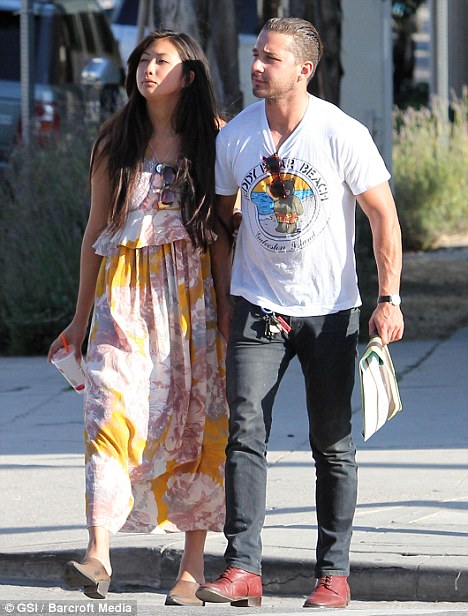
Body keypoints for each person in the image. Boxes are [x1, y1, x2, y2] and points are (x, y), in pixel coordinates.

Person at [196, 17, 404, 609]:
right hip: (259, 306)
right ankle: (242, 570)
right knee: (244, 435)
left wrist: (388, 299)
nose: (257, 66)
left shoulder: (341, 133)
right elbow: (223, 216)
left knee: (332, 444)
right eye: (256, 55)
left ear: (304, 68)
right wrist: (227, 293)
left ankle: (333, 575)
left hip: (332, 311)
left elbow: (383, 218)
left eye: (271, 58)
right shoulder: (235, 136)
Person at [48, 30, 228, 606]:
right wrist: (79, 320)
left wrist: (227, 319)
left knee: (196, 426)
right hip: (122, 300)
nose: (148, 69)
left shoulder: (216, 141)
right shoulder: (115, 140)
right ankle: (98, 555)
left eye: (161, 60)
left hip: (191, 308)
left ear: (190, 74)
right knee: (107, 414)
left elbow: (224, 240)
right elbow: (95, 233)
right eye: (143, 60)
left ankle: (192, 570)